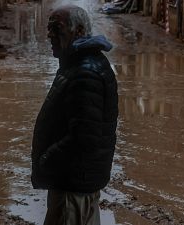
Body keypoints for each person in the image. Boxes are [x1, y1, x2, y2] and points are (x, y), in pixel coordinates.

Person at [31, 5, 118, 225]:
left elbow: (84, 138)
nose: (49, 34)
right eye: (49, 28)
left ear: (78, 31)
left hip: (72, 189)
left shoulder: (84, 72)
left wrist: (46, 159)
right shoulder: (81, 64)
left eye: (56, 28)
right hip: (78, 184)